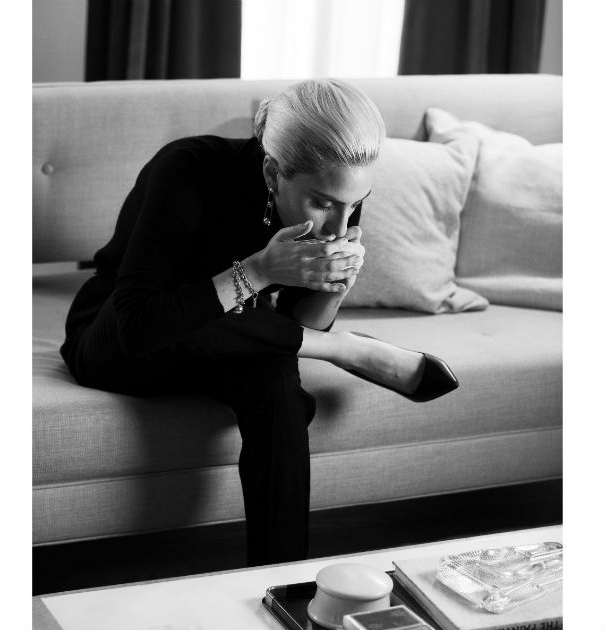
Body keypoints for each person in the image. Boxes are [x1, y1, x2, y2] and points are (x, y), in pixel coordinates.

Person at [60, 78, 458, 567]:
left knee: (275, 379)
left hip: (234, 341)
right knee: (211, 328)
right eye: (324, 204)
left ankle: (283, 581)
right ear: (273, 172)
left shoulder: (338, 192)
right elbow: (137, 327)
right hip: (118, 340)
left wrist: (335, 283)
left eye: (355, 204)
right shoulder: (187, 168)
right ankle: (348, 351)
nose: (340, 224)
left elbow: (298, 323)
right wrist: (259, 272)